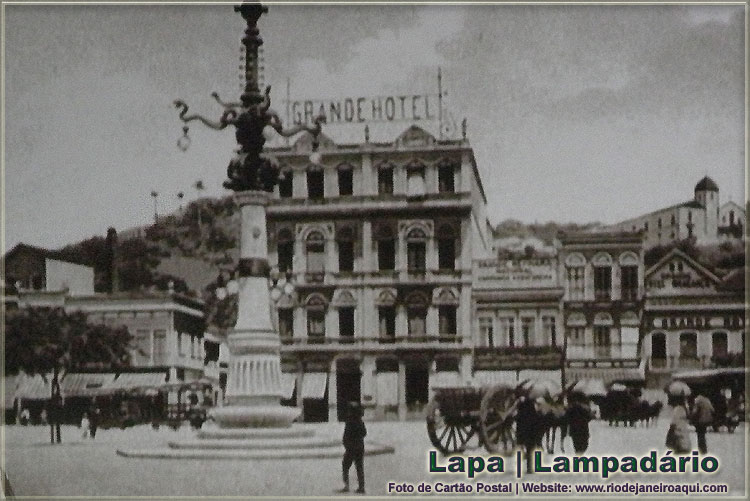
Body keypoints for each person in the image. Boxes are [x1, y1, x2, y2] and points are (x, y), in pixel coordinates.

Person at [339, 401, 366, 494]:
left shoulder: (350, 421)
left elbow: (346, 435)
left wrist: (346, 444)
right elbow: (364, 433)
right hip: (360, 447)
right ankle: (361, 487)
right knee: (359, 467)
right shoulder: (360, 420)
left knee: (345, 465)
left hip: (351, 448)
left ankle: (346, 486)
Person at [515, 396, 543, 473]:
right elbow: (537, 423)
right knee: (530, 450)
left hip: (523, 433)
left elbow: (518, 424)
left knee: (527, 449)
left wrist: (518, 436)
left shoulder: (521, 412)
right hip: (531, 433)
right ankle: (530, 467)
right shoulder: (533, 412)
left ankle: (527, 466)